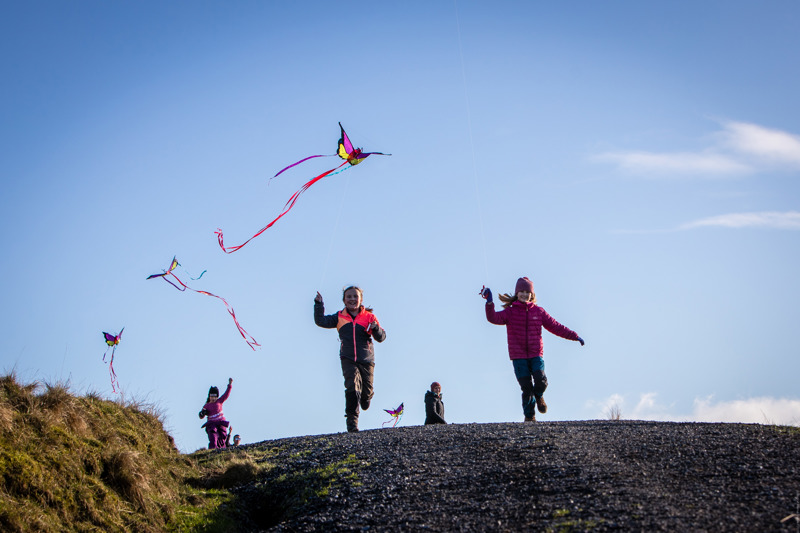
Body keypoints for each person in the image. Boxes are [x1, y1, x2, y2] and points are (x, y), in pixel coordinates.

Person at [481, 277, 584, 422]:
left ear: (532, 295)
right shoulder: (510, 313)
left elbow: (556, 326)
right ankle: (529, 417)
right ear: (517, 293)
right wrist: (489, 301)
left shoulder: (539, 312)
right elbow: (493, 318)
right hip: (518, 356)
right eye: (521, 291)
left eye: (527, 292)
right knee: (526, 388)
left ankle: (540, 396)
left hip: (536, 354)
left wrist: (575, 336)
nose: (524, 294)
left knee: (541, 381)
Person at [315, 286, 387, 433]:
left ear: (361, 299)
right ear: (344, 300)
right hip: (347, 358)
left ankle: (366, 398)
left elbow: (381, 337)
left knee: (365, 394)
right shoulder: (339, 317)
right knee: (352, 389)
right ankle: (352, 423)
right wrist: (318, 304)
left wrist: (375, 329)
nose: (352, 299)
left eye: (355, 296)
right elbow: (321, 321)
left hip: (366, 359)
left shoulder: (369, 317)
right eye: (349, 297)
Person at [199, 377, 233, 448]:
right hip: (212, 425)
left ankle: (221, 451)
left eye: (215, 396)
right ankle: (213, 450)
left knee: (222, 438)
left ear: (217, 397)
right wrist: (202, 413)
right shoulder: (206, 405)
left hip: (221, 423)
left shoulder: (219, 402)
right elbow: (201, 416)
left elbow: (226, 394)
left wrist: (230, 385)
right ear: (209, 396)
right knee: (213, 438)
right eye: (212, 396)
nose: (213, 398)